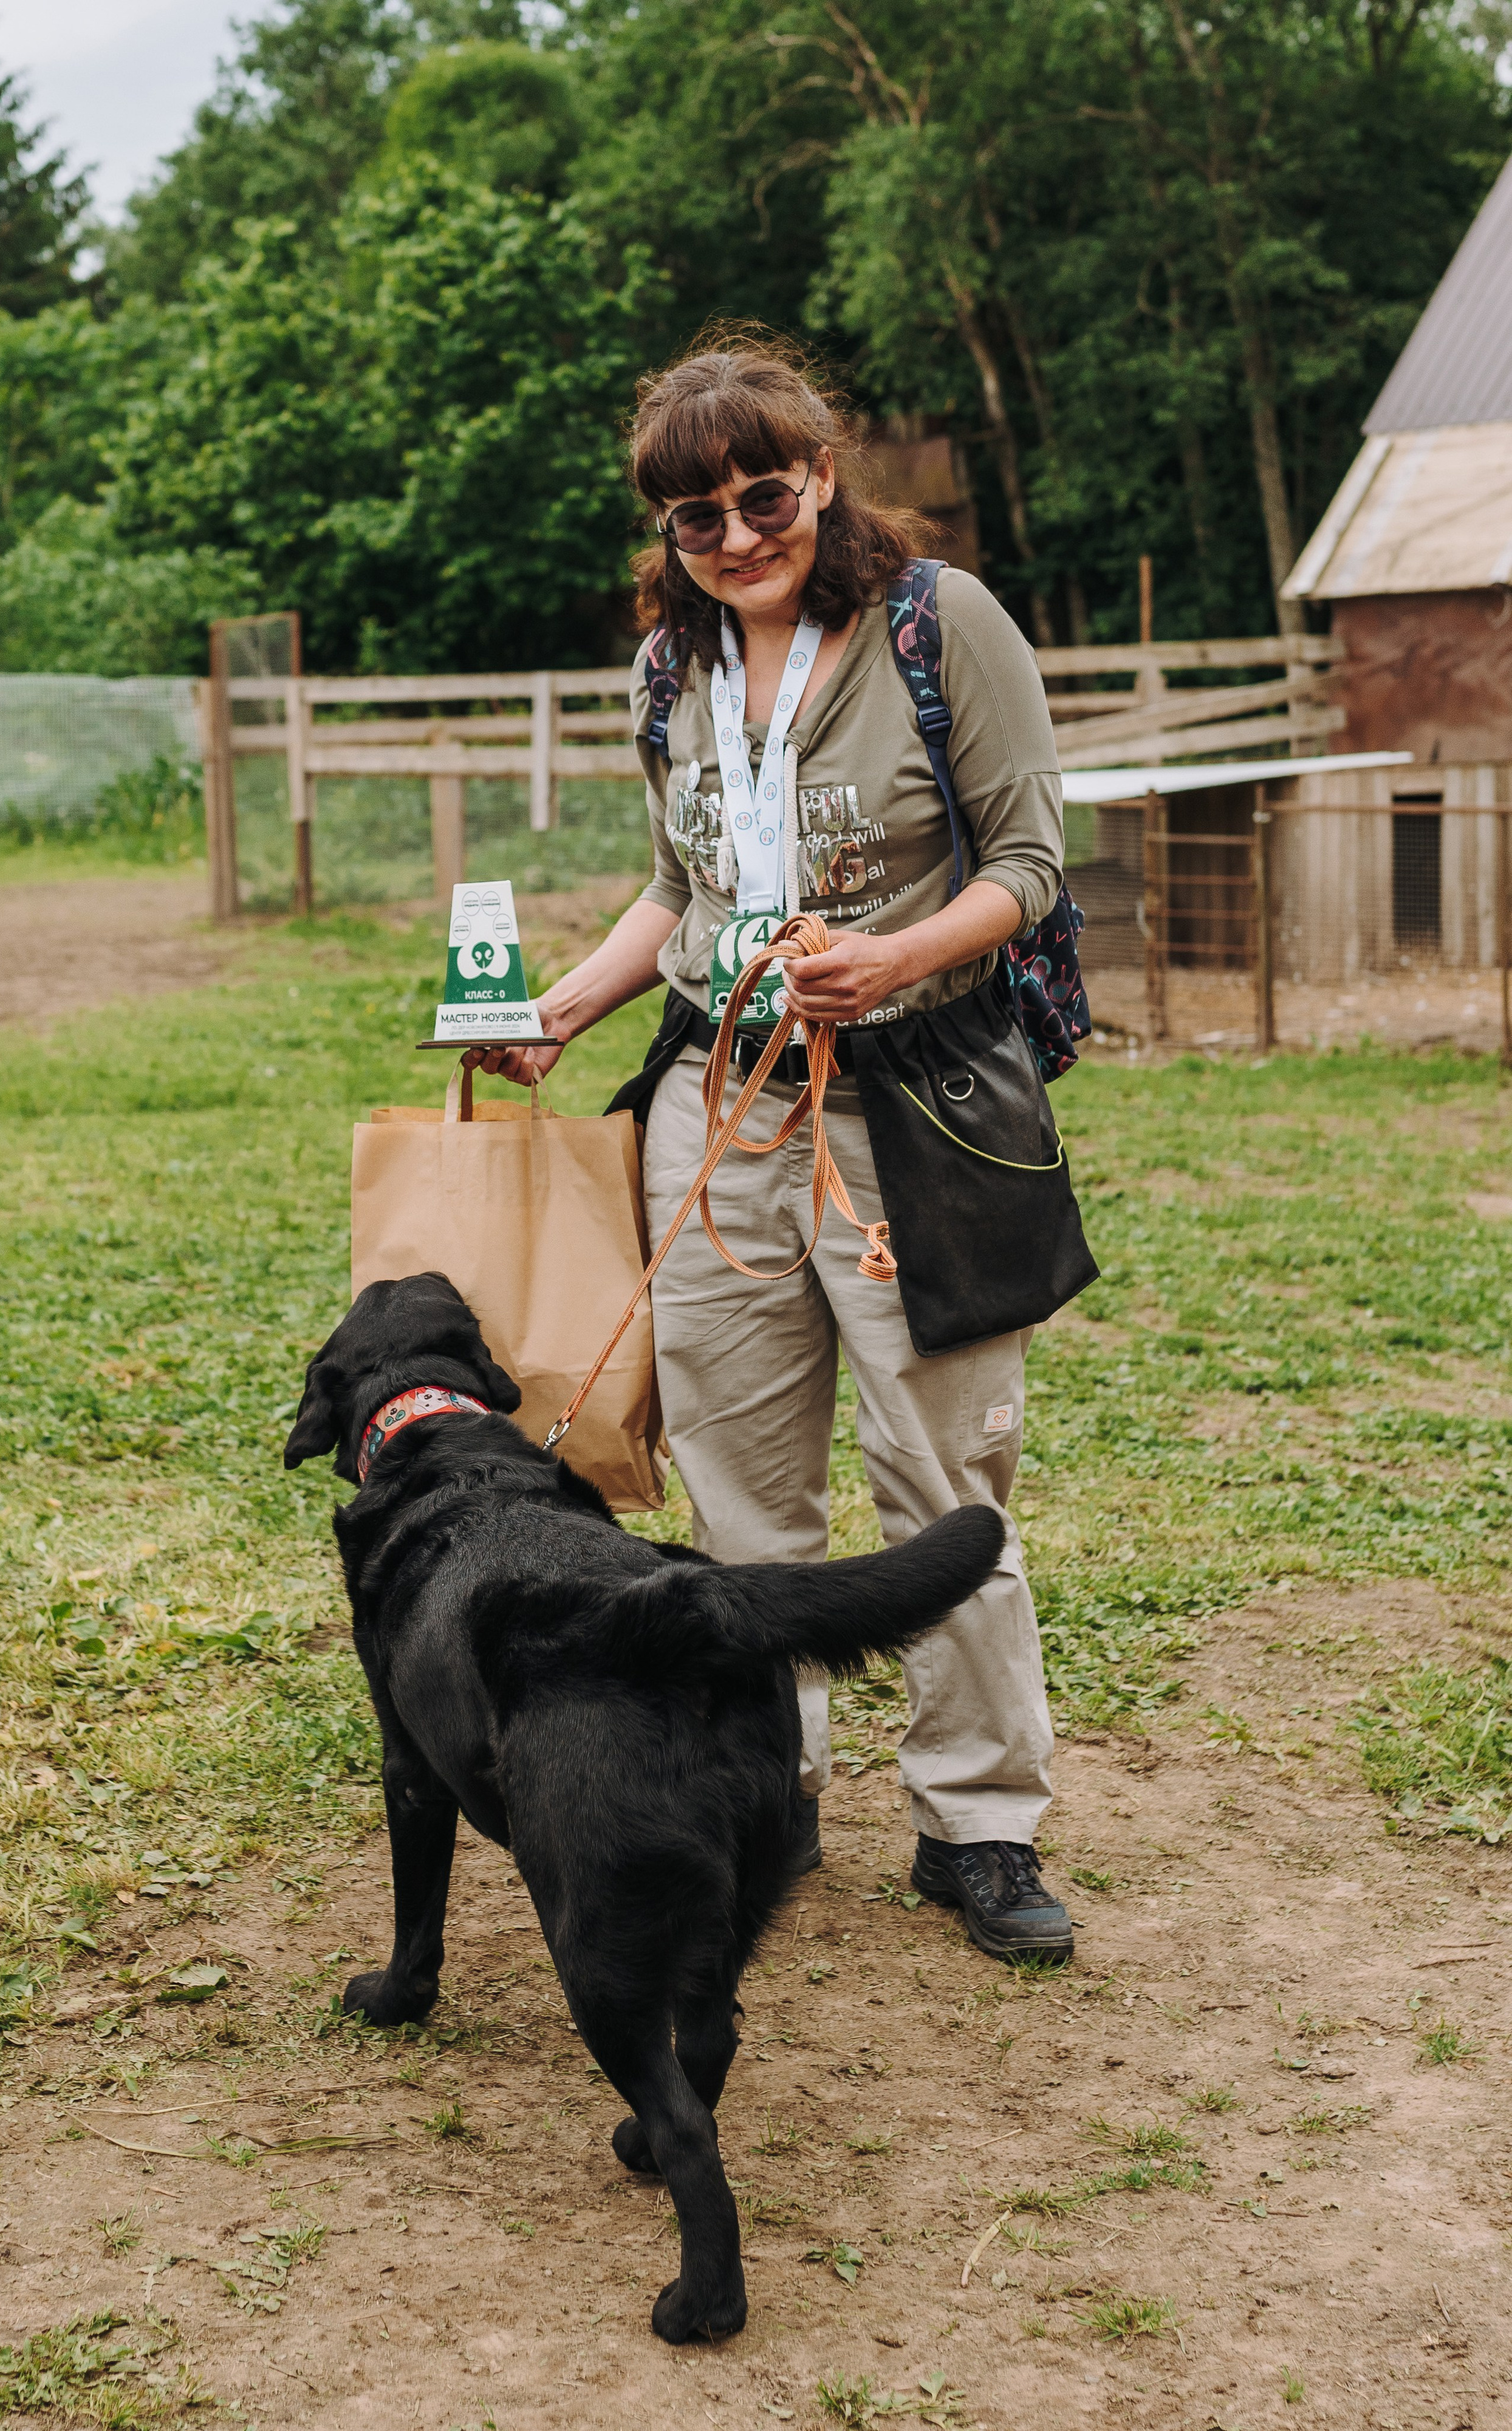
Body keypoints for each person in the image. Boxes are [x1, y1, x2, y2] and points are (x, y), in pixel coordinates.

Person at [468, 335, 1079, 1963]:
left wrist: (895, 957)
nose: (738, 535)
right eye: (699, 516)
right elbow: (682, 886)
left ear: (820, 474)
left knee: (942, 1477)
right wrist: (563, 1011)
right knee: (742, 1492)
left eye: (764, 495)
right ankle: (773, 1792)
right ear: (667, 532)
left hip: (915, 1110)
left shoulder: (939, 624)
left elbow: (1030, 862)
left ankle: (980, 1822)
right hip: (717, 1111)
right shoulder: (668, 665)